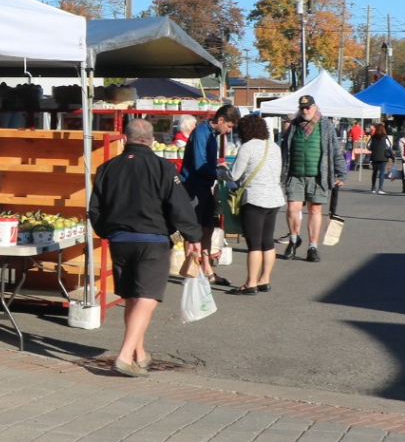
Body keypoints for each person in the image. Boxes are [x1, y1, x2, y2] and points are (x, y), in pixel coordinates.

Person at [87, 119, 202, 378]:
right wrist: (193, 235)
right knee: (147, 298)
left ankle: (140, 353)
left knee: (132, 296)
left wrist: (107, 231)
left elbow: (95, 208)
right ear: (151, 140)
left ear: (125, 138)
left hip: (119, 240)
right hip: (152, 240)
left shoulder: (107, 168)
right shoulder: (162, 167)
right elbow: (179, 206)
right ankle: (125, 356)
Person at [277, 95, 347, 263]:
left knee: (315, 210)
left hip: (318, 176)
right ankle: (293, 240)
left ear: (314, 107)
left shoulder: (326, 126)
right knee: (293, 208)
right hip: (294, 175)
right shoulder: (293, 126)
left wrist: (341, 173)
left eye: (308, 107)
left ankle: (312, 247)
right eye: (302, 108)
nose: (305, 111)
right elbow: (284, 150)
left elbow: (336, 151)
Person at [178, 104, 240, 285]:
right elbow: (199, 164)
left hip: (204, 186)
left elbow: (206, 162)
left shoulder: (212, 135)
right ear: (220, 120)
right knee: (193, 231)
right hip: (193, 186)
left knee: (207, 229)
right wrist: (217, 172)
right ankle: (190, 273)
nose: (228, 131)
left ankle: (207, 270)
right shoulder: (201, 133)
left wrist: (218, 166)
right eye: (228, 126)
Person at [225, 114, 283, 295]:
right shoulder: (274, 147)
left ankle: (250, 283)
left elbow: (234, 176)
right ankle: (264, 280)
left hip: (254, 198)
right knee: (268, 242)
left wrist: (221, 171)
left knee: (254, 244)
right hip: (274, 198)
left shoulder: (247, 147)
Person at [367, 124, 393, 195]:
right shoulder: (385, 137)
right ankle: (380, 188)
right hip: (383, 157)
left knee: (374, 172)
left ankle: (373, 188)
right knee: (381, 173)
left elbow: (368, 146)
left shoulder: (373, 137)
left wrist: (373, 148)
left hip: (375, 156)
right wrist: (392, 156)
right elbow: (389, 146)